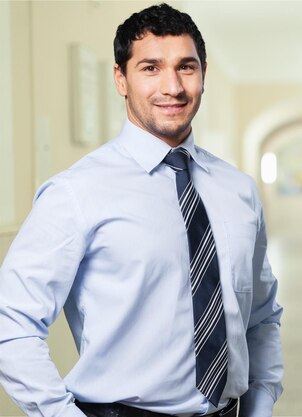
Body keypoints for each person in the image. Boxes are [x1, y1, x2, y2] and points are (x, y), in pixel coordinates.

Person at [0, 4, 283, 417]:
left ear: (204, 74)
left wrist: (259, 404)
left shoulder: (238, 190)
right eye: (151, 68)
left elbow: (261, 315)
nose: (173, 87)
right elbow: (12, 322)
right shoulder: (76, 192)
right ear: (121, 78)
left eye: (186, 67)